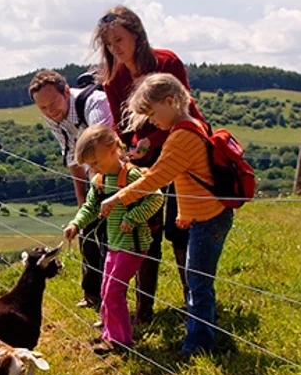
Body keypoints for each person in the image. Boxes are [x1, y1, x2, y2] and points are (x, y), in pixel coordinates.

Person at [101, 73, 232, 358]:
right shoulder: (188, 127)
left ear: (171, 101)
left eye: (151, 113)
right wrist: (185, 214)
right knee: (197, 279)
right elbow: (182, 176)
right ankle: (203, 334)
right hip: (204, 217)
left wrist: (118, 196)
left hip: (208, 220)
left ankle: (198, 345)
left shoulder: (182, 136)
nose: (150, 121)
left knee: (197, 282)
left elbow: (158, 179)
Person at [91, 5, 204, 323]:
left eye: (119, 39)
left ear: (137, 35)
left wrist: (149, 143)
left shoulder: (167, 62)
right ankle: (144, 311)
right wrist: (126, 151)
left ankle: (193, 304)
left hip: (181, 153)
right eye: (109, 43)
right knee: (144, 229)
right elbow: (121, 125)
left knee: (180, 228)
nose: (115, 48)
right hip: (143, 162)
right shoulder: (114, 79)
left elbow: (183, 109)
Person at [62, 124, 164, 354]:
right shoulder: (100, 180)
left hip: (133, 244)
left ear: (111, 149)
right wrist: (76, 223)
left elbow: (156, 198)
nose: (93, 168)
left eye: (96, 162)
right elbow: (90, 206)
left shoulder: (131, 175)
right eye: (90, 165)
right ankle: (109, 334)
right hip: (114, 244)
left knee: (113, 291)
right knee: (106, 289)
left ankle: (121, 341)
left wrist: (133, 216)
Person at [29, 69, 114, 309]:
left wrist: (96, 198)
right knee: (87, 229)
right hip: (92, 173)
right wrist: (82, 203)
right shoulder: (51, 115)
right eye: (43, 108)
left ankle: (113, 299)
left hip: (117, 172)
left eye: (53, 102)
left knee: (110, 237)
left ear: (66, 91)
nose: (50, 111)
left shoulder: (94, 105)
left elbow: (102, 149)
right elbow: (72, 155)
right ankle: (91, 294)